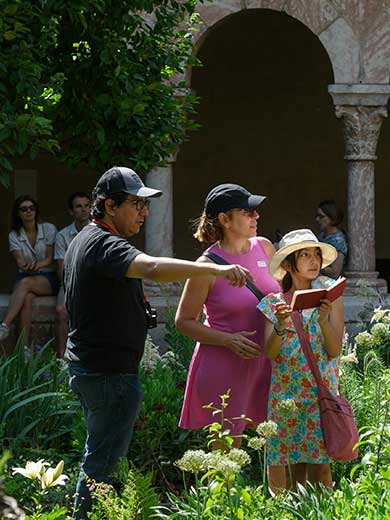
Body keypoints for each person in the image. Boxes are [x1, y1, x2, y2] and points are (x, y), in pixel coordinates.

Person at [64, 167, 252, 519]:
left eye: (145, 205)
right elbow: (150, 268)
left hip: (97, 369)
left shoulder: (86, 239)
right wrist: (215, 269)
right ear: (108, 206)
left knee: (99, 459)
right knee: (101, 466)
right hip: (108, 374)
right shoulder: (104, 243)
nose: (144, 213)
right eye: (136, 204)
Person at [177, 184, 280, 444]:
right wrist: (228, 339)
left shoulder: (265, 247)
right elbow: (183, 321)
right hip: (224, 364)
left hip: (267, 361)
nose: (256, 216)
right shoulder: (207, 265)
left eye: (255, 211)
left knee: (276, 448)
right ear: (224, 219)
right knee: (226, 457)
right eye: (247, 212)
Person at [257, 228, 344, 493]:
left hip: (320, 393)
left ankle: (324, 512)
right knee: (290, 464)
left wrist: (322, 321)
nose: (313, 260)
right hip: (287, 397)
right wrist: (281, 324)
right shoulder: (273, 303)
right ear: (287, 264)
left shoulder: (331, 295)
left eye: (316, 254)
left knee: (321, 466)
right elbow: (270, 353)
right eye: (304, 255)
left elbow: (334, 349)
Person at [0, 196, 58, 342]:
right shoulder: (14, 235)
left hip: (48, 277)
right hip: (26, 274)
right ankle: (25, 350)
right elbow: (20, 261)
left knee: (25, 284)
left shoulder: (49, 228)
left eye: (32, 208)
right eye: (24, 209)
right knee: (26, 299)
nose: (28, 211)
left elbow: (49, 259)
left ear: (36, 210)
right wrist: (27, 267)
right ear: (18, 213)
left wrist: (38, 265)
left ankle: (4, 326)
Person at [54, 192, 91, 357]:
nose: (83, 210)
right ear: (71, 211)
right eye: (78, 206)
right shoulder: (63, 235)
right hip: (69, 283)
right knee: (61, 311)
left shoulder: (98, 232)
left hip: (94, 283)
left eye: (86, 206)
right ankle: (62, 357)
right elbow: (62, 270)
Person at [315, 200, 347, 278]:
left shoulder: (338, 241)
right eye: (317, 216)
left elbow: (335, 273)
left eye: (321, 216)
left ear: (332, 218)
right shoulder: (322, 235)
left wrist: (315, 265)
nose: (317, 219)